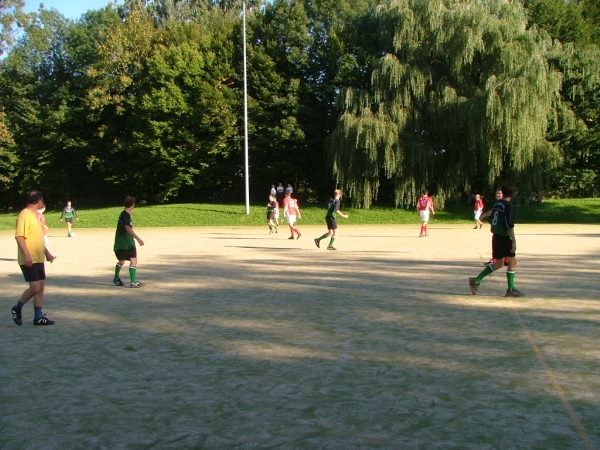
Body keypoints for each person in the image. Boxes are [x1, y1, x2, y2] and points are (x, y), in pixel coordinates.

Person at [469, 182, 524, 297]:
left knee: (499, 263)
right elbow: (509, 224)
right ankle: (510, 290)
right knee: (513, 262)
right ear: (512, 194)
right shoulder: (508, 205)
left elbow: (492, 220)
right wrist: (513, 240)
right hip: (504, 237)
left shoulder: (497, 204)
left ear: (503, 192)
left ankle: (476, 280)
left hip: (496, 236)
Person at [11, 190, 57, 326]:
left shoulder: (34, 216)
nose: (42, 203)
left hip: (38, 258)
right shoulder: (24, 215)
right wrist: (26, 255)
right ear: (38, 201)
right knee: (35, 287)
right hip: (29, 259)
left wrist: (47, 252)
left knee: (40, 287)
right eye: (41, 200)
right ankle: (17, 307)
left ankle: (38, 317)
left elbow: (36, 238)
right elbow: (19, 237)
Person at [113, 196, 145, 288]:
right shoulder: (124, 214)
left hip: (129, 242)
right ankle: (116, 278)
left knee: (134, 260)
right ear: (133, 204)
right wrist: (138, 238)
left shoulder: (127, 214)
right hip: (122, 243)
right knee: (122, 261)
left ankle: (133, 282)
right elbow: (127, 228)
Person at [481, 189, 507, 266]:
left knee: (497, 243)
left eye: (500, 193)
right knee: (502, 243)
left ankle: (496, 259)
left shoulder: (503, 203)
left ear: (503, 195)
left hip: (501, 228)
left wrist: (484, 215)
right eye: (497, 193)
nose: (498, 195)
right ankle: (505, 259)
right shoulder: (499, 203)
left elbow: (492, 212)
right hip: (498, 227)